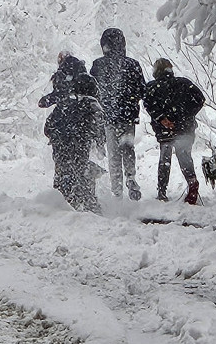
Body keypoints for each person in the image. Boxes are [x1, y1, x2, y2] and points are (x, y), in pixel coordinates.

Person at [39, 54, 104, 212]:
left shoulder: (62, 79)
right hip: (82, 130)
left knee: (63, 165)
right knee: (80, 163)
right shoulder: (88, 81)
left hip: (61, 130)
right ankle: (87, 199)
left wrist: (48, 101)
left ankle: (64, 199)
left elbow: (49, 101)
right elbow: (98, 103)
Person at [90, 28, 146, 200]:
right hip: (128, 116)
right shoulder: (133, 64)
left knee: (114, 154)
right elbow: (142, 90)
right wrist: (131, 100)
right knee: (128, 147)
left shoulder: (98, 65)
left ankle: (117, 191)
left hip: (108, 116)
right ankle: (130, 176)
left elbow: (93, 91)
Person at [143, 58, 205, 204]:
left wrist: (162, 118)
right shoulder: (184, 83)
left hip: (164, 129)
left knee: (165, 158)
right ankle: (192, 182)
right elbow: (200, 99)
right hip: (185, 128)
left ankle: (162, 192)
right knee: (183, 155)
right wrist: (186, 115)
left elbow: (148, 104)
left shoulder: (152, 87)